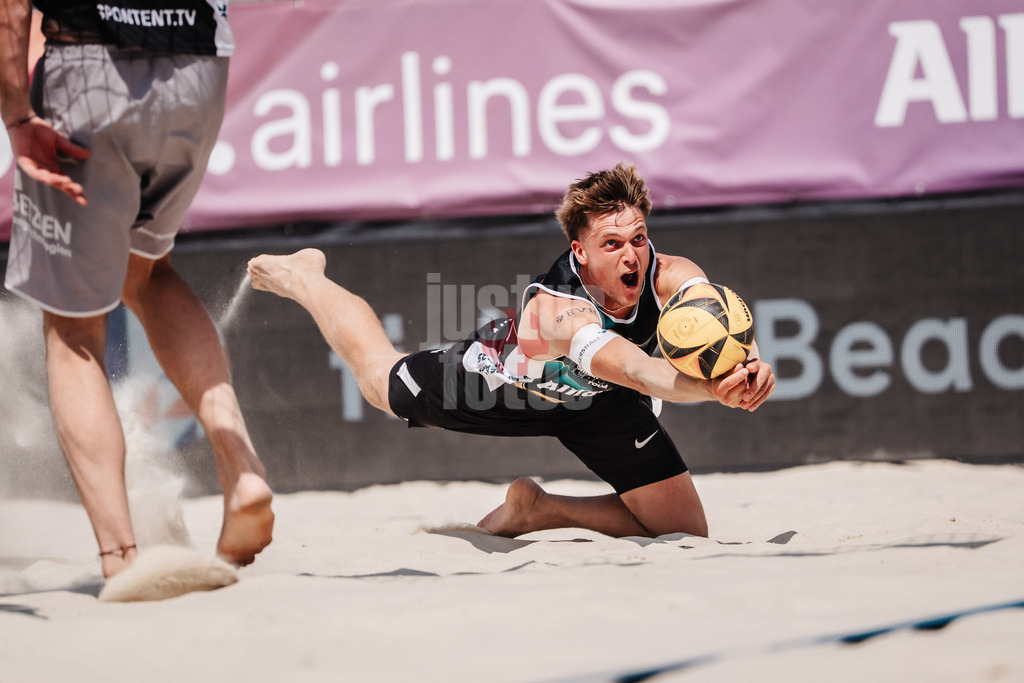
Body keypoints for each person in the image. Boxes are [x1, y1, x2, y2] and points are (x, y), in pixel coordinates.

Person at [247, 162, 774, 538]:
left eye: (638, 238)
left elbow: (722, 332)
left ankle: (539, 509)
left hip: (599, 404)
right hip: (508, 384)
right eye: (612, 245)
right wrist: (712, 392)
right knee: (380, 383)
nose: (631, 253)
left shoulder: (676, 278)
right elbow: (637, 369)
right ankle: (305, 277)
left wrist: (746, 368)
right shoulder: (557, 310)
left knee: (683, 530)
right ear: (581, 253)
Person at [1, 0, 274, 578]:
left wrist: (18, 117)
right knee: (147, 272)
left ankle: (121, 558)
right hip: (199, 68)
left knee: (73, 330)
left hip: (91, 64)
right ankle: (238, 462)